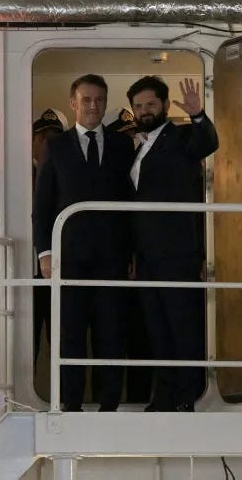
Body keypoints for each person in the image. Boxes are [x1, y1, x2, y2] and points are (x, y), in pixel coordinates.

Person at [33, 74, 134, 412]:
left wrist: (132, 252)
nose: (93, 106)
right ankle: (70, 405)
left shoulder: (123, 145)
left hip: (112, 256)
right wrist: (44, 252)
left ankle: (109, 405)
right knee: (71, 333)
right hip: (69, 257)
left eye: (99, 100)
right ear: (73, 103)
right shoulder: (56, 146)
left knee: (112, 331)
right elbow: (43, 203)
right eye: (87, 100)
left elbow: (130, 202)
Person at [127, 76, 219, 412]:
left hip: (176, 250)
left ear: (164, 106)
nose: (145, 110)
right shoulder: (138, 145)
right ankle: (164, 395)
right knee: (157, 328)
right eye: (138, 105)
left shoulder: (180, 137)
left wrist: (197, 116)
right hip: (146, 254)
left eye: (151, 104)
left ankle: (187, 395)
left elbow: (207, 143)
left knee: (183, 325)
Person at [103, 107, 152, 404]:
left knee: (142, 338)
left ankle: (139, 397)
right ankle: (107, 399)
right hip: (112, 264)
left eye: (134, 135)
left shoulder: (146, 168)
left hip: (143, 262)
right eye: (125, 137)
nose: (131, 141)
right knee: (110, 337)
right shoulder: (107, 174)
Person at [31, 108, 67, 369]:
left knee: (62, 340)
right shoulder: (17, 174)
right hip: (26, 272)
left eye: (53, 138)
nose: (46, 143)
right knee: (25, 339)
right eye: (42, 137)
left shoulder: (65, 175)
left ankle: (65, 400)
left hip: (58, 270)